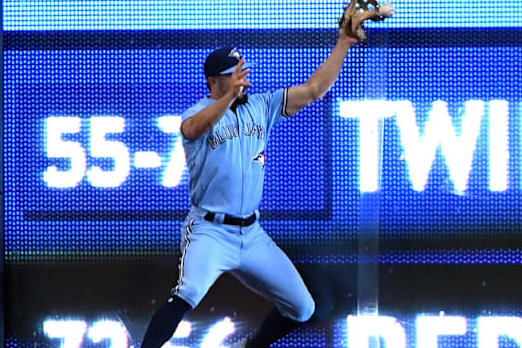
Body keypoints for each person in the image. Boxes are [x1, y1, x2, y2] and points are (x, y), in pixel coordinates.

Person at [140, 26, 358, 348]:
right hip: (210, 231)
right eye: (232, 74)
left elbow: (314, 90)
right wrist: (229, 98)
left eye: (242, 70)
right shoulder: (197, 112)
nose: (242, 78)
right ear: (213, 82)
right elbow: (194, 128)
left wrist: (343, 43)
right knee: (187, 294)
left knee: (303, 307)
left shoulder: (261, 106)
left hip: (251, 234)